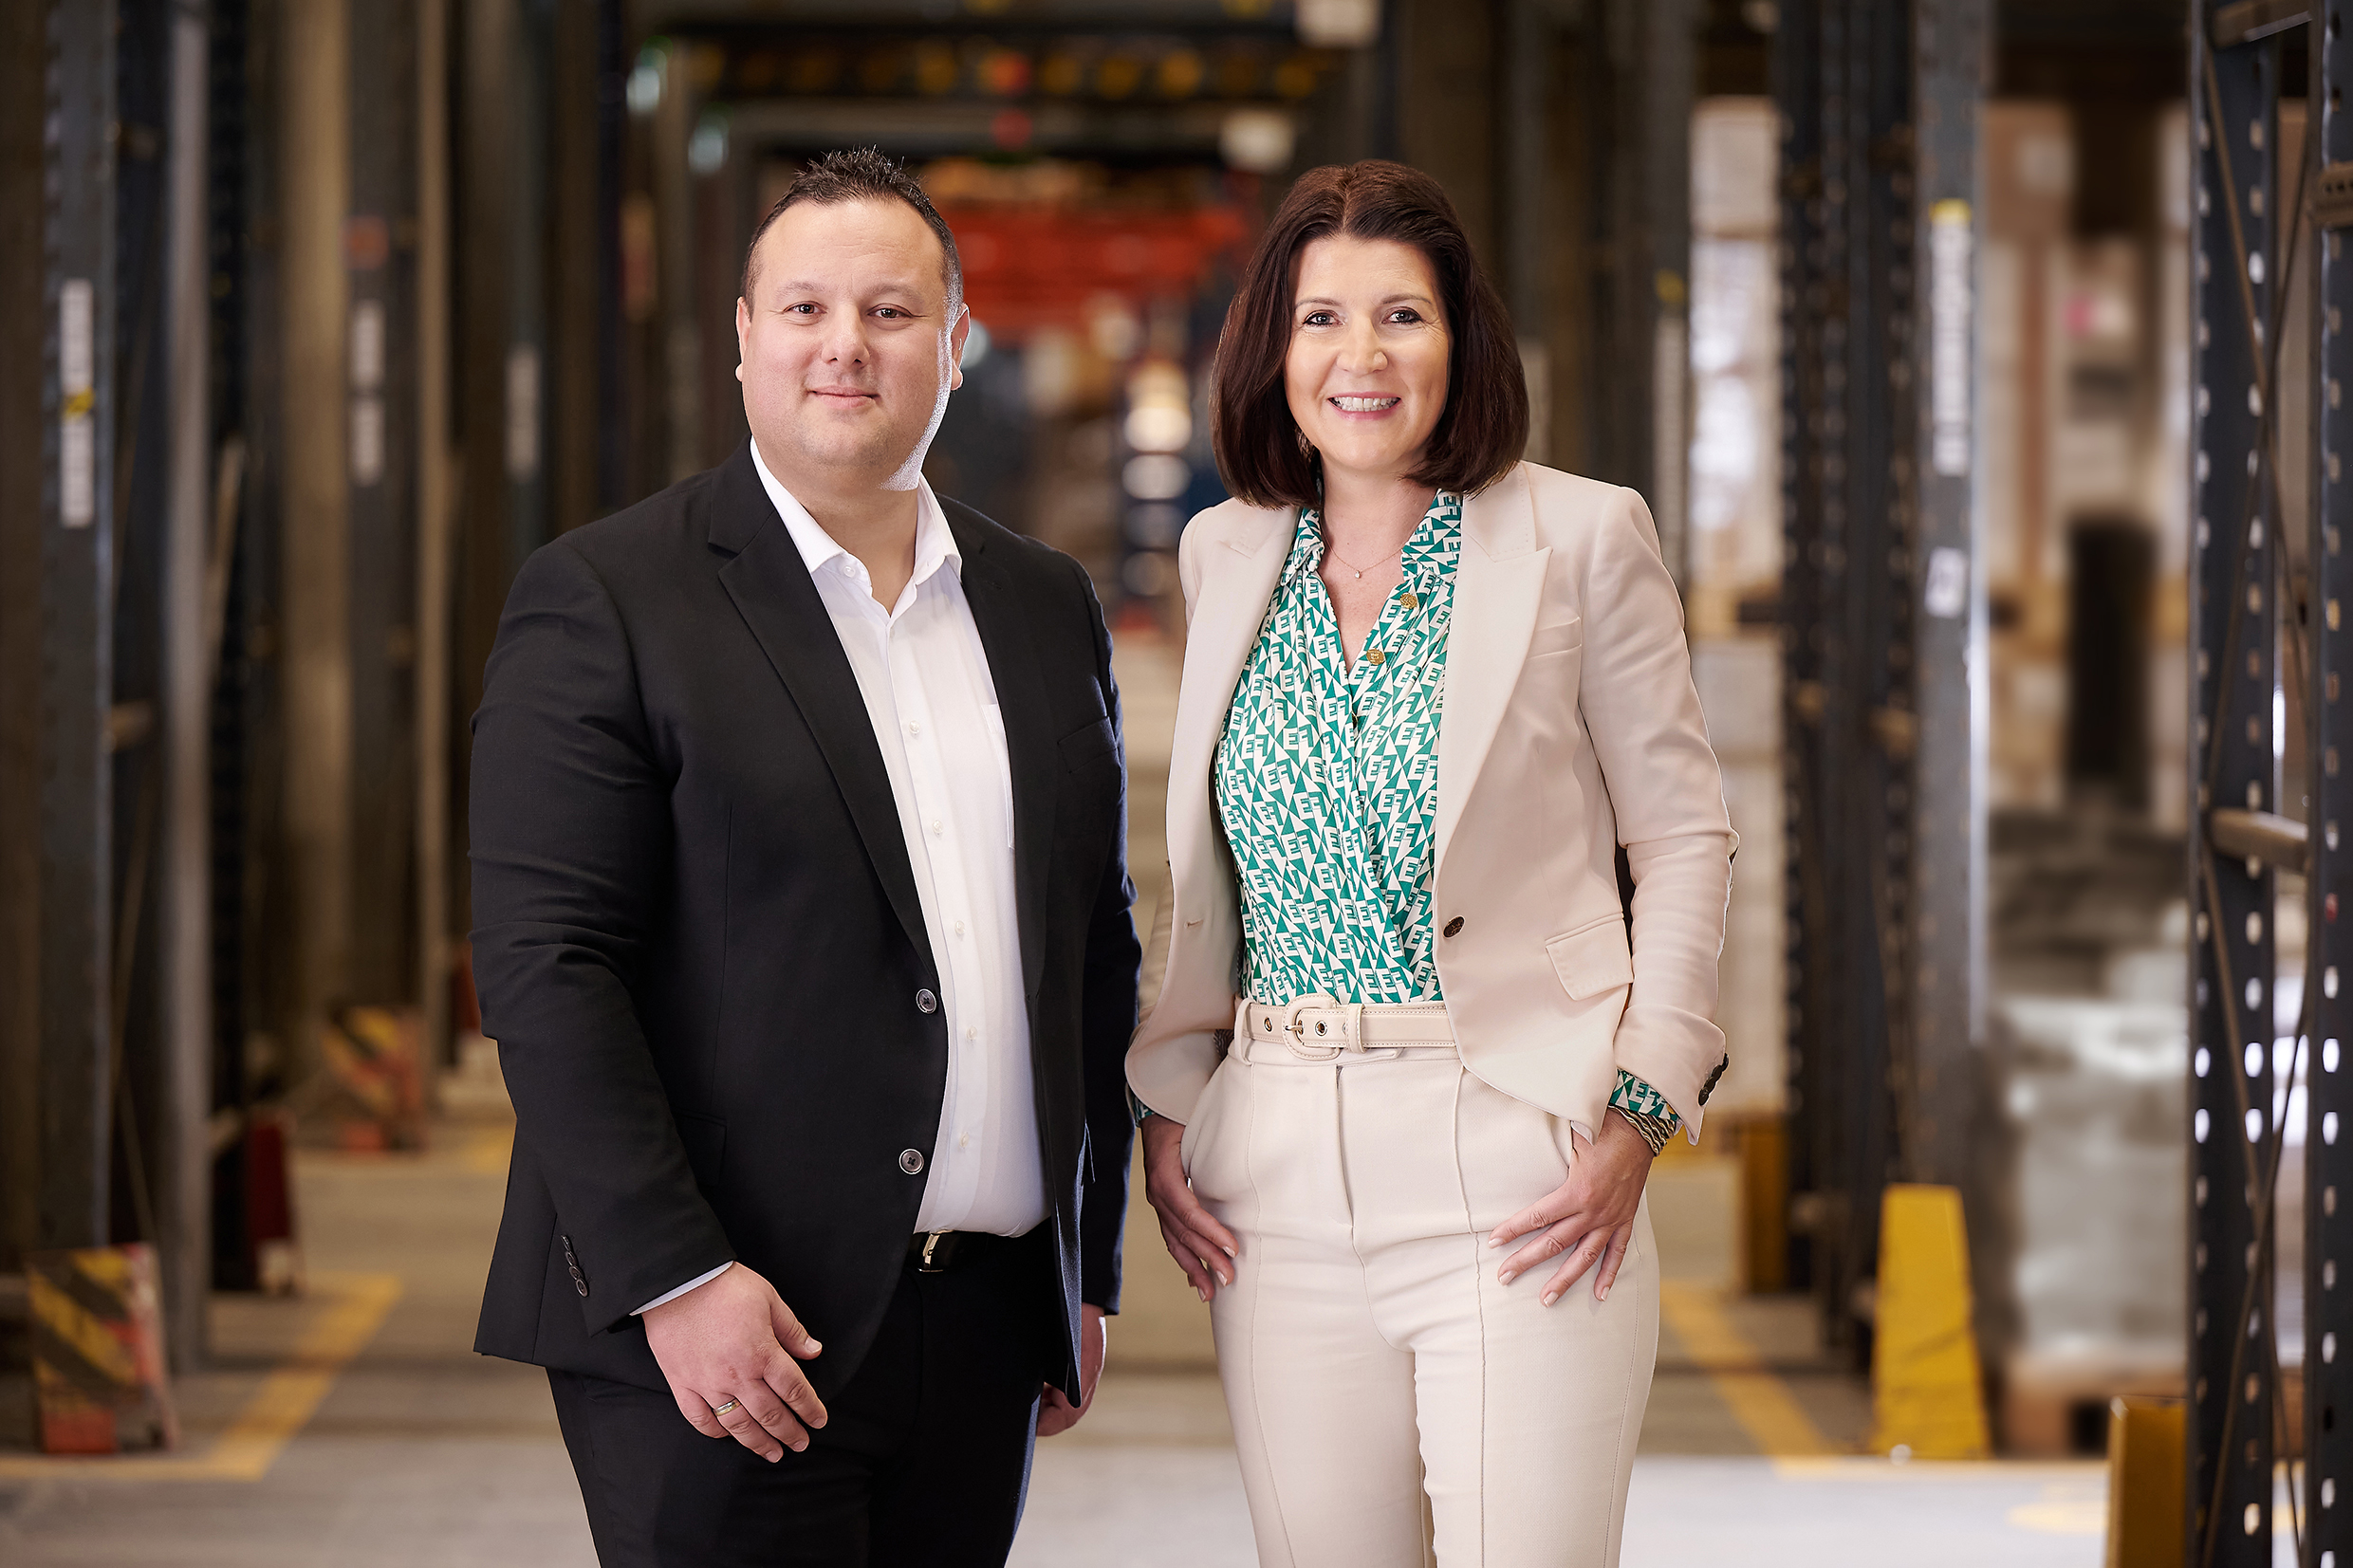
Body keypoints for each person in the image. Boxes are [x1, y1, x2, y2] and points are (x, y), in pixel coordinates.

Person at [469, 147, 1141, 1567]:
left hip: (982, 1325)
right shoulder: (609, 599)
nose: (847, 345)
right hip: (729, 1334)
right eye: (805, 309)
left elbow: (1092, 944)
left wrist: (1085, 1260)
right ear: (743, 338)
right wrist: (675, 1275)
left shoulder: (1041, 605)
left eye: (892, 312)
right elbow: (549, 967)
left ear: (955, 342)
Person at [1128, 160, 1735, 1566]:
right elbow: (1211, 866)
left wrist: (1641, 1103)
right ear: (1272, 351)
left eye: (1402, 315)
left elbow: (1682, 832)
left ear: (1462, 341)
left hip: (1518, 1152)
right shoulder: (1225, 552)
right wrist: (1171, 1099)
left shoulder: (1580, 536)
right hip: (1274, 1161)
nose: (1363, 356)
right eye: (1321, 319)